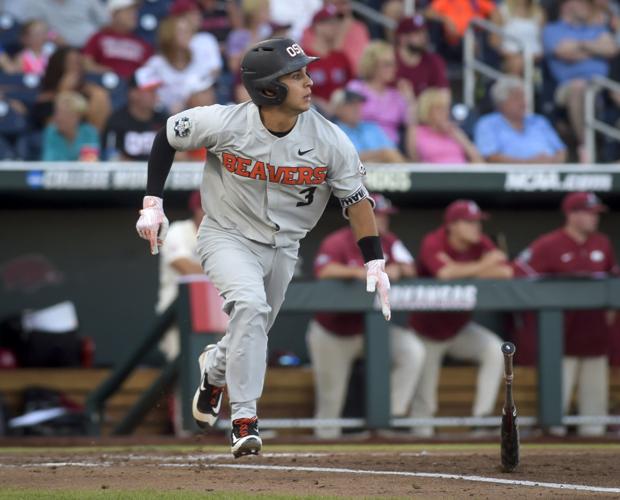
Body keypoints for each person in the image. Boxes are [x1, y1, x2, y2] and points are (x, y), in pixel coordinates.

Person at [135, 38, 392, 458]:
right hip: (226, 234)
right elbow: (167, 135)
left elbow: (356, 200)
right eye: (296, 76)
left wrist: (375, 259)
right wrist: (152, 202)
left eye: (306, 73)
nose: (309, 82)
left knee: (251, 328)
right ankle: (244, 419)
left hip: (284, 245)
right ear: (269, 89)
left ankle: (213, 370)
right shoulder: (224, 122)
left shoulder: (330, 139)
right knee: (250, 308)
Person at [306, 193, 424, 439]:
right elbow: (324, 270)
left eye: (384, 216)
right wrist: (357, 272)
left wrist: (397, 269)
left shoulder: (390, 241)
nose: (381, 221)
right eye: (375, 215)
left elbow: (409, 267)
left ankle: (389, 416)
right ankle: (325, 445)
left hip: (372, 332)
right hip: (334, 332)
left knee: (412, 350)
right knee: (331, 399)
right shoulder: (338, 241)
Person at [513, 192, 618, 436]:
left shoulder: (602, 243)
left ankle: (589, 470)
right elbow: (518, 273)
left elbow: (613, 284)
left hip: (595, 342)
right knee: (554, 418)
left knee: (595, 420)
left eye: (596, 213)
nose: (595, 218)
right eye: (589, 213)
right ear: (572, 214)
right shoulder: (548, 243)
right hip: (559, 343)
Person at [407, 200, 511, 436]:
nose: (477, 228)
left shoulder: (479, 243)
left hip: (459, 328)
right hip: (427, 330)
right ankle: (420, 436)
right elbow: (445, 274)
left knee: (495, 351)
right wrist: (483, 265)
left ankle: (481, 420)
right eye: (470, 222)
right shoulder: (433, 241)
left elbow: (505, 271)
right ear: (452, 225)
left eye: (478, 222)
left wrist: (469, 268)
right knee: (425, 398)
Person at [543, 0, 619, 157]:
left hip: (602, 85)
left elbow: (611, 49)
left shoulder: (596, 28)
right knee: (578, 87)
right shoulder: (552, 29)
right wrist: (595, 49)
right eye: (582, 3)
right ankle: (587, 147)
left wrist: (579, 45)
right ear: (567, 6)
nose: (587, 7)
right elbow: (563, 52)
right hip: (567, 86)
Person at [474, 78, 567, 163]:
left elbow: (561, 150)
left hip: (550, 175)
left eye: (523, 97)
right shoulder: (487, 124)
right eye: (516, 98)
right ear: (501, 103)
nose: (523, 103)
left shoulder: (539, 121)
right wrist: (528, 163)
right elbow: (490, 157)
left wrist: (553, 163)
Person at [139, 15, 217, 114]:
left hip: (195, 113)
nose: (188, 35)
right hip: (162, 116)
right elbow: (145, 94)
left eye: (189, 31)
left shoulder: (199, 58)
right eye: (182, 31)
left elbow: (206, 93)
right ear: (169, 35)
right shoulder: (156, 64)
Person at [347, 41, 416, 150]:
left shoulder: (396, 95)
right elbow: (346, 121)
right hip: (361, 149)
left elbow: (411, 124)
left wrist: (410, 100)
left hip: (391, 149)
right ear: (372, 65)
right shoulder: (356, 88)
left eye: (394, 64)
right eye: (387, 64)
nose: (393, 68)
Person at [32, 47, 111, 133]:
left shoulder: (90, 92)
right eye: (71, 63)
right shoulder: (45, 96)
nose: (77, 67)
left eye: (79, 63)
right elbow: (52, 127)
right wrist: (63, 92)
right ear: (59, 66)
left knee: (100, 96)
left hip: (87, 138)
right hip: (56, 140)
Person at [102, 68, 167, 161]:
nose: (155, 95)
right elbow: (112, 157)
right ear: (133, 93)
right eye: (150, 91)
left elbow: (178, 155)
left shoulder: (164, 121)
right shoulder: (116, 122)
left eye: (156, 90)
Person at [82, 0, 154, 79]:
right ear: (114, 14)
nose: (134, 15)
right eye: (128, 11)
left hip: (134, 86)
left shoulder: (143, 44)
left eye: (135, 11)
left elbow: (150, 70)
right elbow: (86, 64)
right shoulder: (99, 38)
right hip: (106, 83)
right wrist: (105, 71)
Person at [302, 6, 354, 114]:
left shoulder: (341, 57)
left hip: (341, 116)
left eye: (337, 23)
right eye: (330, 23)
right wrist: (317, 101)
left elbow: (352, 86)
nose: (335, 27)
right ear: (317, 26)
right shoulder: (304, 57)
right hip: (311, 113)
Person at [331, 88, 406, 163]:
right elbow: (343, 160)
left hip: (384, 171)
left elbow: (392, 151)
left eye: (358, 104)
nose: (356, 108)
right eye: (350, 104)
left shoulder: (372, 127)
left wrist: (381, 155)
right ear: (338, 108)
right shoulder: (333, 132)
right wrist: (381, 155)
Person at [413, 87, 483, 164]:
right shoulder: (417, 131)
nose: (445, 112)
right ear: (427, 110)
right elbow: (413, 158)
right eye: (439, 108)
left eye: (446, 108)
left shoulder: (454, 131)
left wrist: (455, 132)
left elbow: (477, 159)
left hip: (460, 173)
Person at [301, 0, 370, 70]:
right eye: (335, 4)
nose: (340, 8)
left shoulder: (359, 28)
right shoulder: (311, 30)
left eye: (343, 3)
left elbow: (356, 67)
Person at [393, 15, 449, 97]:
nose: (423, 37)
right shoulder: (389, 60)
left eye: (424, 32)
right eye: (417, 33)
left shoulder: (434, 61)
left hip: (424, 109)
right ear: (402, 37)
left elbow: (444, 94)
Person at [19, 0, 109, 48]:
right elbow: (31, 27)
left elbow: (106, 22)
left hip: (91, 49)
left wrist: (96, 40)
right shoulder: (36, 2)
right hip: (58, 50)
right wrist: (52, 36)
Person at [489, 0, 546, 76]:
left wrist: (531, 58)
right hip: (509, 58)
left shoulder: (539, 13)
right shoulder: (500, 12)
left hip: (534, 58)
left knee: (520, 63)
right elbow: (494, 42)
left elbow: (543, 43)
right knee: (517, 63)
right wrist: (511, 55)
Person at [41, 91, 100, 161]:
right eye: (57, 113)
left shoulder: (89, 132)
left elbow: (90, 161)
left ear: (77, 116)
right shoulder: (51, 131)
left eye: (65, 114)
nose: (58, 118)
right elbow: (49, 161)